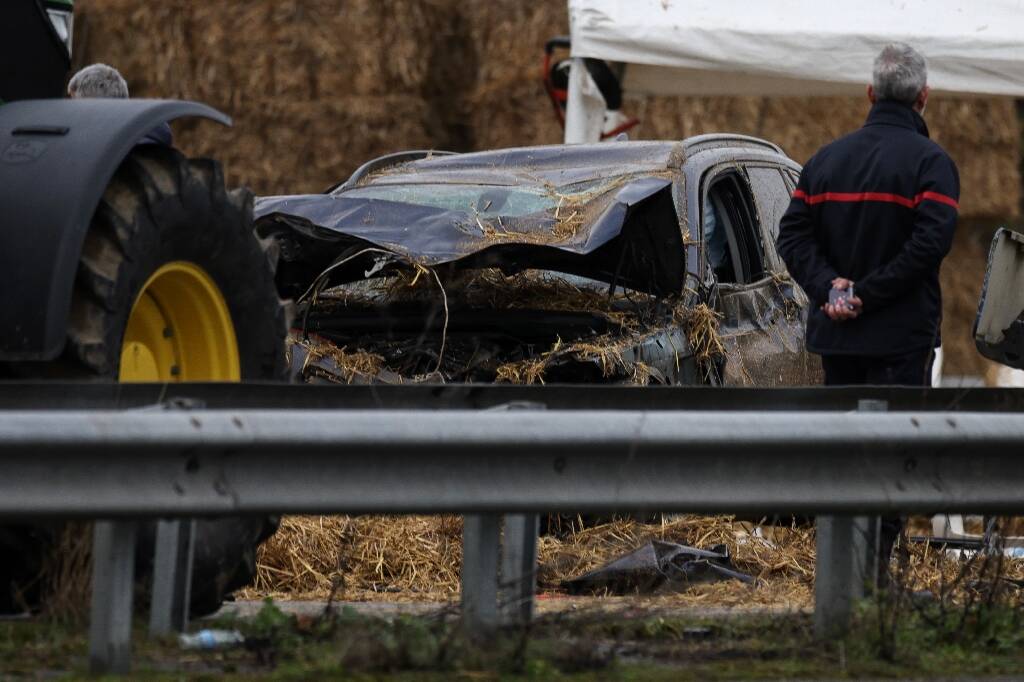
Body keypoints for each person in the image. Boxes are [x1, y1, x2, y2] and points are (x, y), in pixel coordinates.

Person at [777, 43, 959, 388]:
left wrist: (831, 290)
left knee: (842, 439)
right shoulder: (933, 165)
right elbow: (931, 244)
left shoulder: (825, 160)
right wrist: (864, 294)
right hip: (903, 341)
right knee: (898, 440)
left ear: (871, 93)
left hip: (838, 338)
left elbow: (791, 236)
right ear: (923, 96)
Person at [67, 63, 173, 146]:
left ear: (95, 108)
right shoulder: (152, 143)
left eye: (78, 110)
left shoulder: (115, 160)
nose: (76, 118)